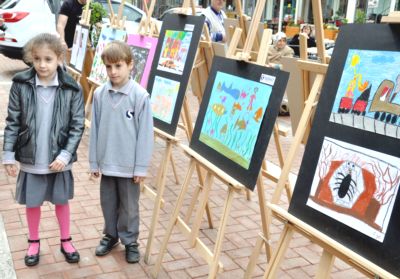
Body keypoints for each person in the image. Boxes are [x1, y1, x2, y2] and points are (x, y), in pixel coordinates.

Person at [2, 33, 85, 266]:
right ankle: (34, 242)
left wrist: (66, 154)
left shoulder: (71, 88)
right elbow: (13, 121)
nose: (42, 64)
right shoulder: (21, 84)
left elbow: (77, 125)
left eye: (48, 59)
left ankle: (66, 240)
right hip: (31, 157)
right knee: (33, 202)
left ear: (59, 58)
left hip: (59, 159)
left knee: (61, 201)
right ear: (30, 58)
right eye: (37, 59)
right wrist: (8, 155)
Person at [89, 41, 154, 263]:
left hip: (129, 166)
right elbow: (95, 129)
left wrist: (141, 166)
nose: (113, 72)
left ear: (130, 65)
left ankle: (130, 241)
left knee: (129, 207)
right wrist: (94, 162)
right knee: (108, 202)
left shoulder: (140, 96)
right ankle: (110, 235)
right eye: (108, 67)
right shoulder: (99, 94)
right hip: (107, 163)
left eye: (118, 66)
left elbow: (145, 134)